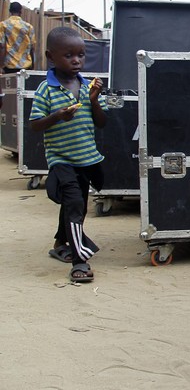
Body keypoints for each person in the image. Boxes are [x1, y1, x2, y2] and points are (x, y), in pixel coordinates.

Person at [30, 26, 107, 283]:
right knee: (75, 204)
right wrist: (57, 116)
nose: (76, 61)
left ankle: (60, 243)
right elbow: (35, 124)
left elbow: (102, 123)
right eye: (69, 55)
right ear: (51, 56)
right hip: (61, 159)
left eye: (81, 55)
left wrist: (95, 100)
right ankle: (79, 261)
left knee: (76, 206)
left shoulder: (88, 87)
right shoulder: (46, 89)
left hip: (86, 157)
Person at [1, 1, 36, 75]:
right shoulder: (29, 27)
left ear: (10, 11)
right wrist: (33, 65)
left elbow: (2, 47)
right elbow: (32, 48)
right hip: (25, 66)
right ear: (21, 12)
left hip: (9, 66)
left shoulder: (3, 25)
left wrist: (0, 66)